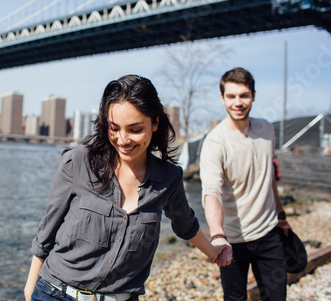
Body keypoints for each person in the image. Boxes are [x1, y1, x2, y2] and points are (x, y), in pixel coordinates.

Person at [25, 75, 231, 301]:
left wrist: (214, 251)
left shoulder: (168, 178)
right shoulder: (77, 163)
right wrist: (30, 288)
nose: (122, 139)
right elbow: (47, 231)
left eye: (134, 129)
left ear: (155, 123)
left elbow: (186, 225)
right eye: (114, 128)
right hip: (54, 294)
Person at [199, 67, 292, 301]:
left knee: (277, 297)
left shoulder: (267, 130)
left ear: (253, 95)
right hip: (231, 241)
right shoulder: (214, 142)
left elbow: (268, 177)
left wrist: (281, 217)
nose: (238, 102)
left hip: (269, 234)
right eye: (231, 96)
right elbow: (211, 192)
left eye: (244, 95)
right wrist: (217, 235)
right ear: (222, 98)